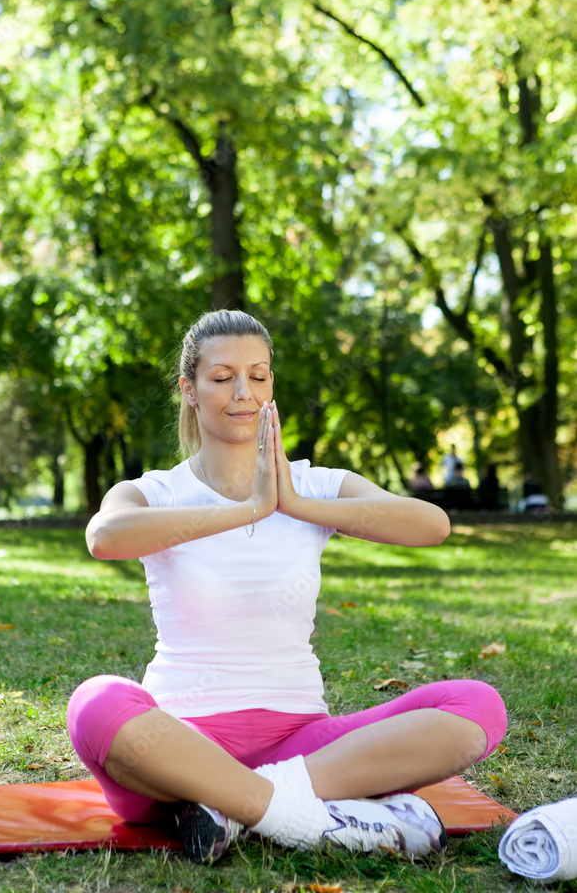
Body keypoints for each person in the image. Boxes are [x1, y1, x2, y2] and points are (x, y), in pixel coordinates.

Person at [67, 310, 507, 866]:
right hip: (176, 750)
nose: (243, 392)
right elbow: (104, 536)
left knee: (477, 706)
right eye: (222, 377)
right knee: (95, 702)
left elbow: (431, 525)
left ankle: (232, 806)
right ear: (190, 390)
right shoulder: (156, 491)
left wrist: (294, 503)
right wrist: (249, 509)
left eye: (259, 375)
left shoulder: (314, 485)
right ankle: (288, 810)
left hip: (301, 743)